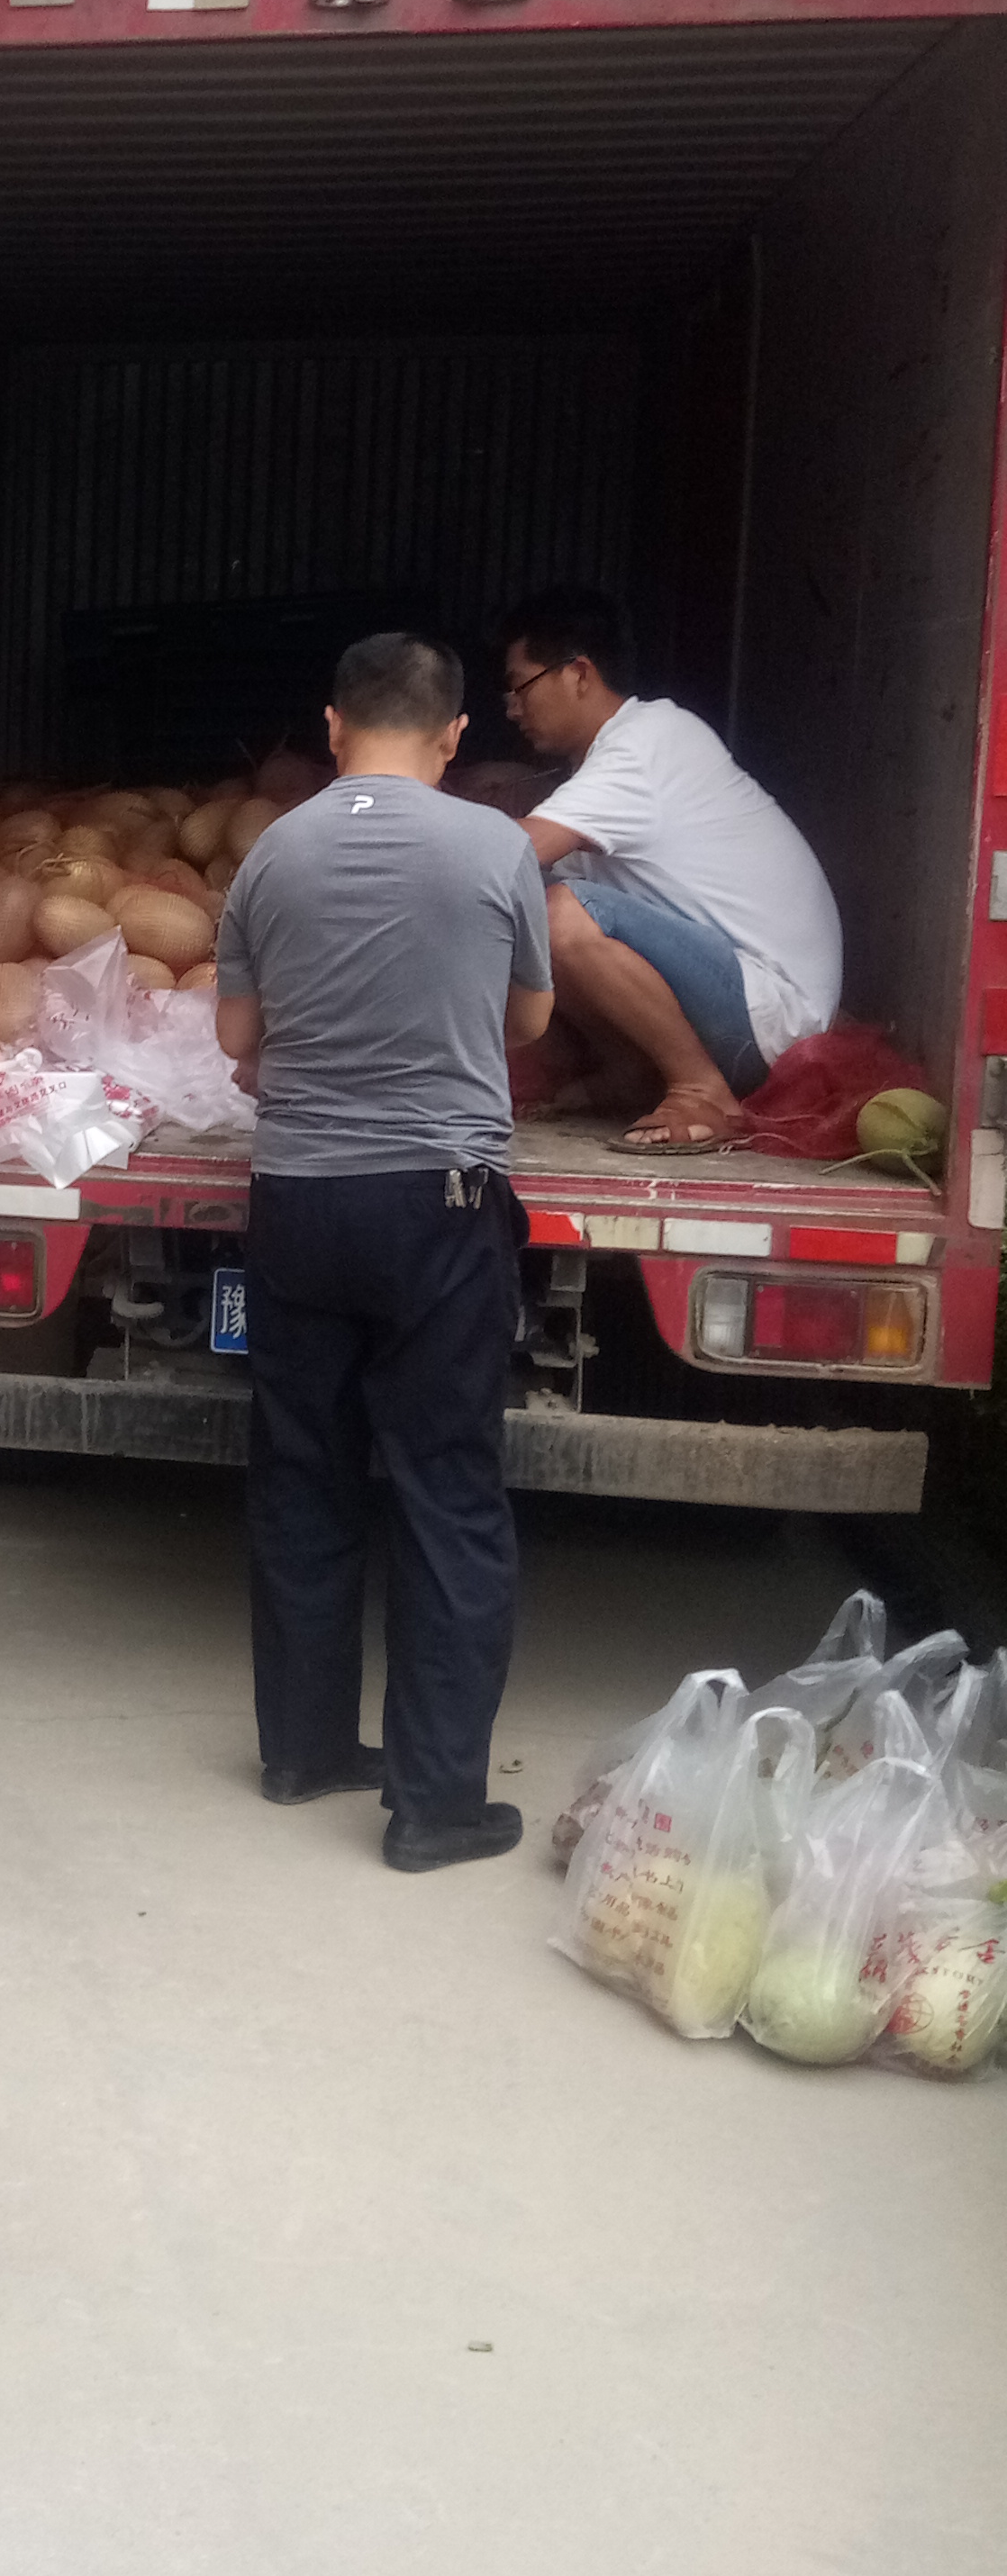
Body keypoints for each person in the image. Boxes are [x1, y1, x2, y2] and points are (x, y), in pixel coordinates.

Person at [213, 632, 554, 1875]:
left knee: (302, 1472)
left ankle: (302, 1750)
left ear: (333, 725)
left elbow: (236, 1038)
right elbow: (529, 1019)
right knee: (445, 1491)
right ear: (454, 734)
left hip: (298, 1202)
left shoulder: (273, 849)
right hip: (438, 1206)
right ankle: (434, 1802)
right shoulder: (496, 847)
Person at [498, 590, 840, 1155]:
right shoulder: (605, 766)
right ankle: (632, 1074)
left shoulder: (646, 742)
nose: (512, 709)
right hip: (740, 1010)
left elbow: (512, 853)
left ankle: (703, 1090)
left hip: (768, 1017)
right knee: (531, 905)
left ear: (578, 674)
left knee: (558, 913)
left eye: (520, 686)